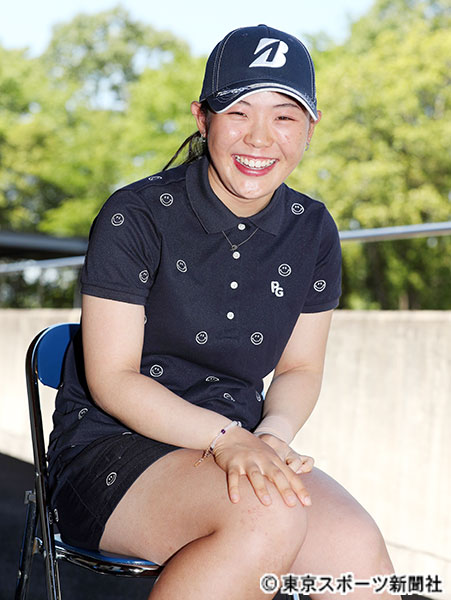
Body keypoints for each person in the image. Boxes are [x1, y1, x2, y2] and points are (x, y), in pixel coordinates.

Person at [47, 24, 399, 599]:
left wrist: (273, 434)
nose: (260, 137)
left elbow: (300, 368)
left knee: (360, 554)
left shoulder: (312, 229)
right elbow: (113, 379)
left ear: (310, 129)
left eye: (284, 116)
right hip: (112, 445)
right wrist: (227, 439)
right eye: (238, 112)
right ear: (202, 118)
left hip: (241, 437)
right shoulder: (135, 215)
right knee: (268, 515)